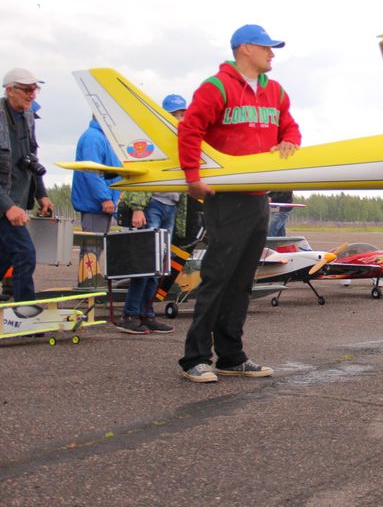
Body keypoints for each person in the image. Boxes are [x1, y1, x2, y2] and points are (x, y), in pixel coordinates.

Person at [177, 24, 301, 383]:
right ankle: (194, 357)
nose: (272, 53)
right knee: (217, 278)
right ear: (245, 48)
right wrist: (191, 176)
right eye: (267, 47)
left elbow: (290, 128)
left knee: (243, 281)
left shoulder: (275, 91)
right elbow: (190, 130)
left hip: (258, 197)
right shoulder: (216, 87)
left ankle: (231, 356)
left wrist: (288, 141)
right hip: (225, 198)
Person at [115, 95, 189, 335]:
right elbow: (140, 172)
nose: (181, 118)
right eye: (176, 114)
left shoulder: (182, 142)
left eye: (182, 114)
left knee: (159, 267)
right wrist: (137, 207)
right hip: (153, 204)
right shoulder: (150, 141)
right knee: (146, 263)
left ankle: (146, 314)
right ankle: (130, 314)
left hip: (171, 205)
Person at [0, 68, 53, 301]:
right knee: (25, 253)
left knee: (5, 256)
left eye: (35, 89)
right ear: (10, 90)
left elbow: (31, 159)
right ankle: (25, 315)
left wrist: (42, 194)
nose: (33, 95)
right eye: (27, 90)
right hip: (5, 204)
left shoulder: (28, 117)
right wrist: (7, 206)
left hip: (17, 203)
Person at [72, 117, 121, 234]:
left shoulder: (104, 138)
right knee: (92, 250)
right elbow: (91, 171)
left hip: (103, 206)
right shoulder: (93, 138)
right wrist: (105, 198)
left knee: (98, 248)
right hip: (95, 206)